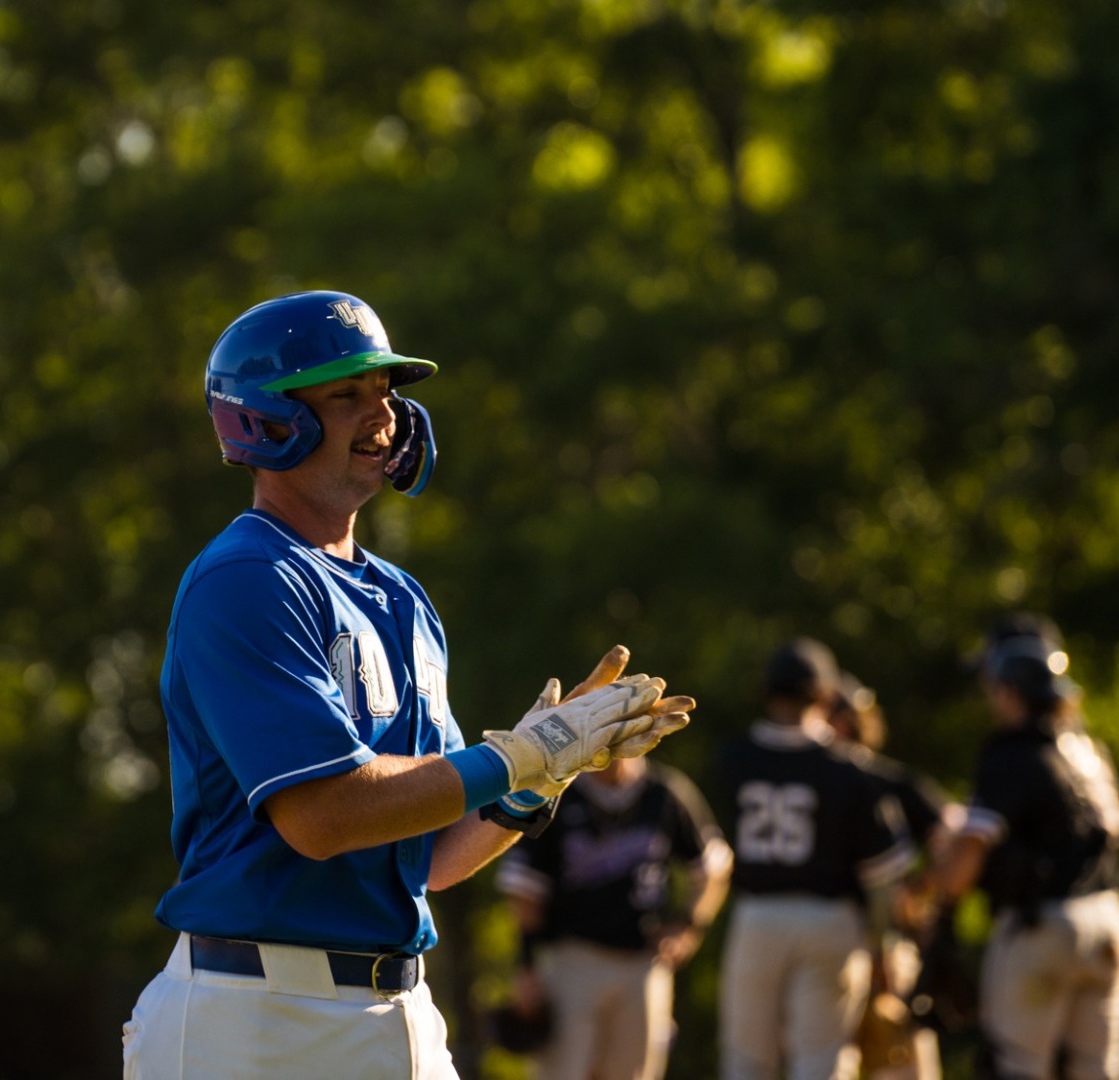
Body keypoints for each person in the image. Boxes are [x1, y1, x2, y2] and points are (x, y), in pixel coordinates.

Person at [120, 290, 696, 1079]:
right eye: (347, 394)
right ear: (265, 419)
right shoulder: (249, 576)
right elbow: (323, 815)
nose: (383, 415)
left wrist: (535, 782)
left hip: (400, 1012)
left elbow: (425, 852)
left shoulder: (403, 596)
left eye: (387, 391)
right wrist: (515, 759)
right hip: (258, 1019)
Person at [926, 617, 1119, 1079]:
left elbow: (968, 856)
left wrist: (940, 905)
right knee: (1097, 1070)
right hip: (1110, 919)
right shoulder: (1088, 750)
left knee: (1017, 1067)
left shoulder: (1014, 752)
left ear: (1009, 690)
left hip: (1045, 925)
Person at [713, 637, 914, 1080]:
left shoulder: (734, 758)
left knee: (746, 1060)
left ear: (767, 692)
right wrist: (882, 944)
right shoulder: (849, 767)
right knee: (821, 1062)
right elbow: (882, 876)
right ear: (825, 695)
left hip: (757, 915)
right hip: (830, 920)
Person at [494, 752, 733, 1080]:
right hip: (572, 959)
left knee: (635, 1073)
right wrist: (526, 965)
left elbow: (713, 866)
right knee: (562, 1071)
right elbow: (525, 891)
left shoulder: (664, 791)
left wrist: (688, 926)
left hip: (643, 961)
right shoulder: (559, 792)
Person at [825, 672, 962, 1080]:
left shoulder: (889, 781)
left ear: (844, 722)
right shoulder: (818, 782)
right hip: (832, 939)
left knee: (902, 1059)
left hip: (888, 944)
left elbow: (954, 839)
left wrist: (920, 891)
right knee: (833, 1058)